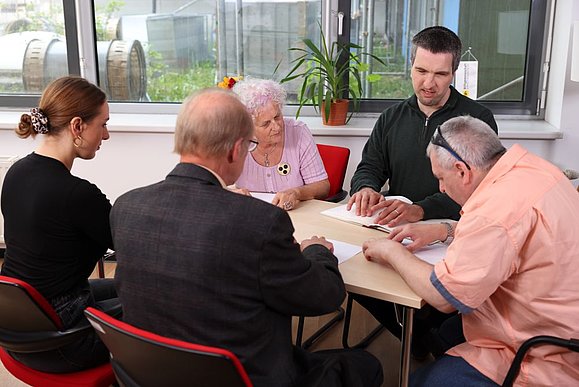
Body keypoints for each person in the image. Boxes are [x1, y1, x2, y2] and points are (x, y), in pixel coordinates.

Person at [110, 88, 383, 387]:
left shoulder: (125, 207)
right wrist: (317, 251)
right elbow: (325, 297)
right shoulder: (260, 223)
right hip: (246, 377)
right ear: (235, 149)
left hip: (154, 374)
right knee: (366, 365)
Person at [363, 115, 579, 386]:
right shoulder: (533, 168)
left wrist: (391, 252)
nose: (441, 187)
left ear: (462, 171)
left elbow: (444, 296)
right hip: (563, 319)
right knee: (441, 331)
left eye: (441, 178)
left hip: (544, 351)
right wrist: (446, 229)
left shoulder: (494, 210)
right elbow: (513, 234)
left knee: (420, 379)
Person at [345, 26, 498, 358]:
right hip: (395, 225)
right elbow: (369, 165)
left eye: (440, 74)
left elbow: (477, 190)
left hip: (453, 232)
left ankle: (426, 336)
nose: (429, 83)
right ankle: (417, 336)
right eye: (421, 71)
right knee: (351, 272)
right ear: (410, 66)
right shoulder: (391, 117)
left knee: (434, 301)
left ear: (454, 72)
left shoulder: (477, 120)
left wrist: (420, 210)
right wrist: (366, 188)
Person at [0, 76, 119, 372]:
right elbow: (132, 241)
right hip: (62, 341)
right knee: (160, 307)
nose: (106, 135)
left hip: (18, 329)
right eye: (102, 124)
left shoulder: (17, 172)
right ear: (77, 126)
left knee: (115, 285)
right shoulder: (77, 194)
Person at [232, 78, 330, 211]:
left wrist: (297, 193)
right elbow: (207, 183)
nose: (277, 127)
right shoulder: (235, 141)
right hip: (250, 218)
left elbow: (323, 186)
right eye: (266, 123)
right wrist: (228, 193)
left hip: (296, 218)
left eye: (277, 117)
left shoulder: (298, 131)